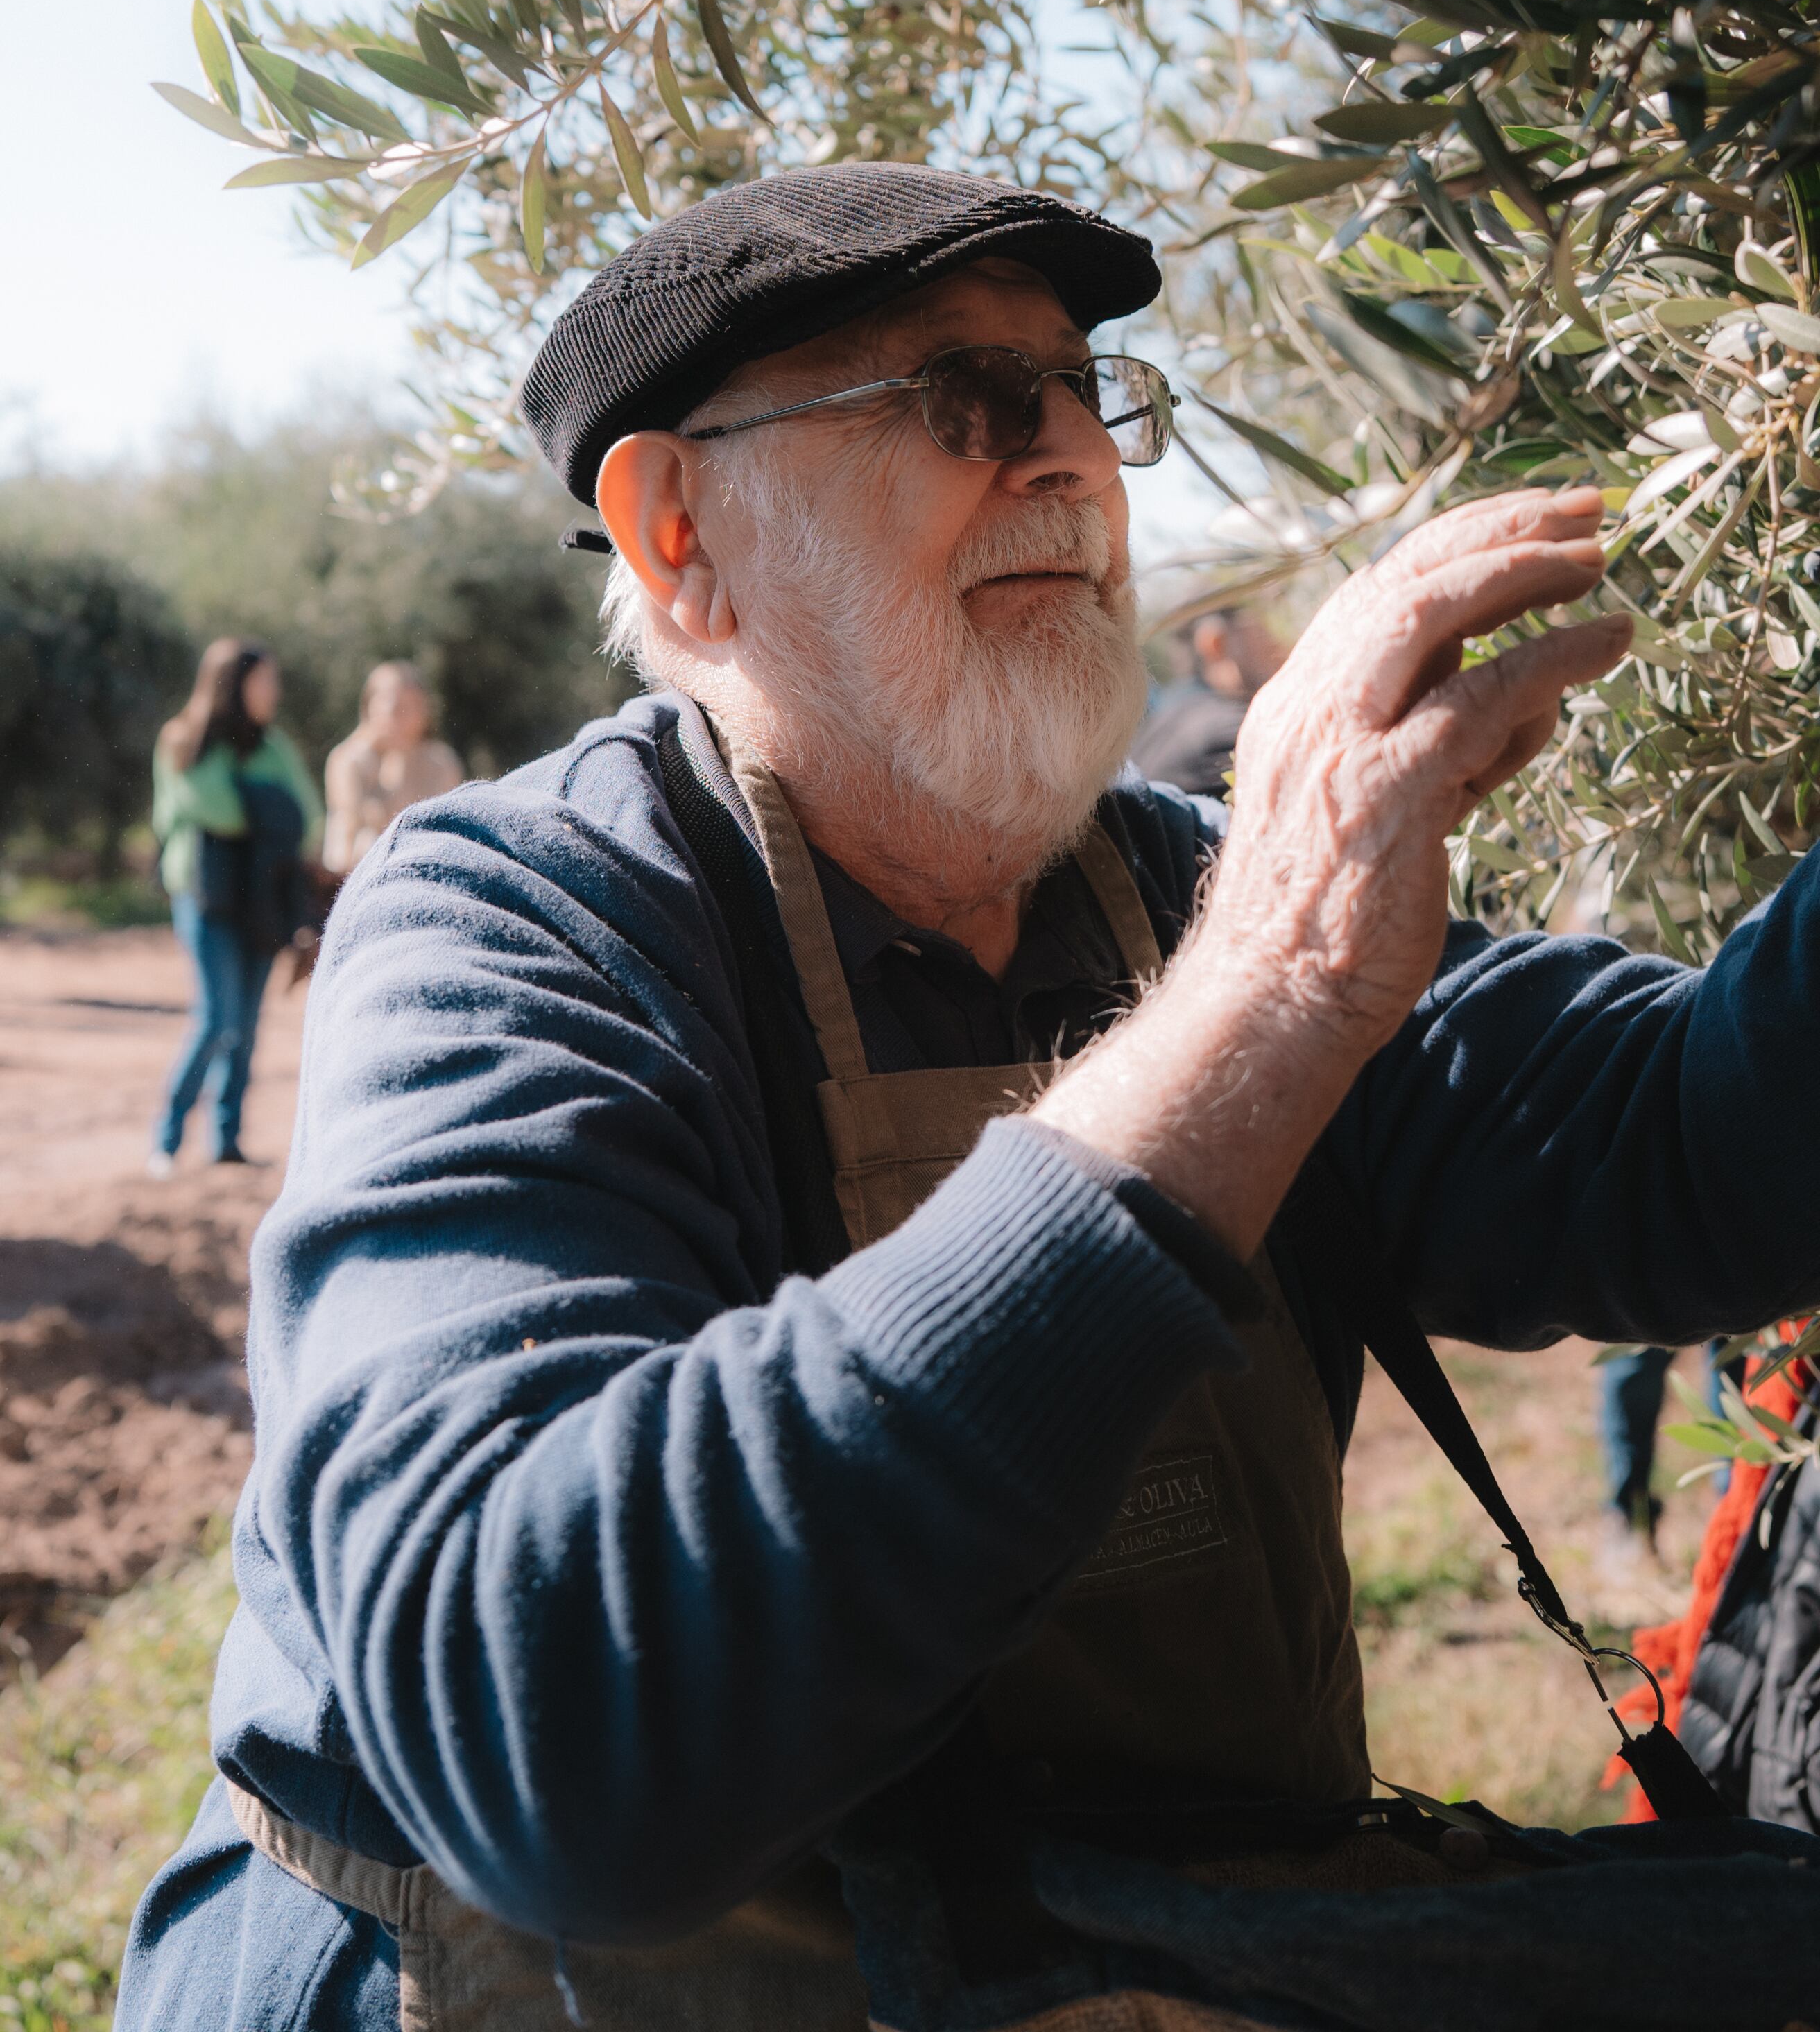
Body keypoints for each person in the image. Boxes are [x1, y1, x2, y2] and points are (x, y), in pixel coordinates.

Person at [119, 166, 1820, 2032]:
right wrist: (1264, 995)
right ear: (680, 528)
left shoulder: (1184, 881)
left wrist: (1268, 950)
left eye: (1093, 397)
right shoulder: (519, 930)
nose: (1075, 464)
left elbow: (1692, 1145)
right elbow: (555, 1739)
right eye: (971, 404)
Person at [147, 637, 321, 1176]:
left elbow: (309, 815)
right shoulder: (183, 740)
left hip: (262, 901)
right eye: (266, 679)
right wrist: (273, 809)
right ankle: (168, 1141)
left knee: (245, 1027)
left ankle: (226, 1142)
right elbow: (213, 808)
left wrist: (263, 806)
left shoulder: (275, 746)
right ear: (235, 681)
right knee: (215, 1019)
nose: (276, 691)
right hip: (206, 899)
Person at [321, 661, 464, 878]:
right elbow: (359, 824)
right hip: (356, 874)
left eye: (413, 704)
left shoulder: (441, 762)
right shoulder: (348, 759)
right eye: (396, 705)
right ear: (371, 705)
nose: (404, 714)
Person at [1132, 606, 1289, 798]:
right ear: (1215, 643)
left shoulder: (1165, 716)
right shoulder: (1233, 731)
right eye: (1268, 625)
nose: (1282, 644)